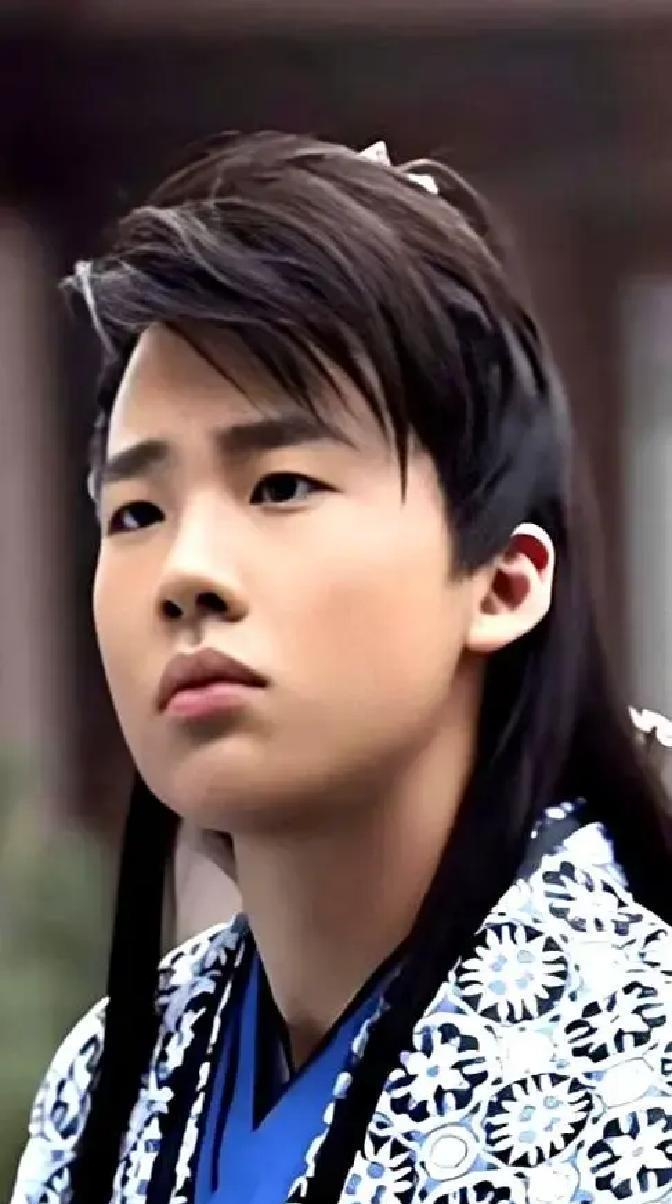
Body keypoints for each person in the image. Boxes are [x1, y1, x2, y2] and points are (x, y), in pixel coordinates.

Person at [11, 132, 672, 1204]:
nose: (186, 572)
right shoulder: (99, 1094)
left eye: (280, 486)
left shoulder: (645, 1058)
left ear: (503, 581)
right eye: (135, 512)